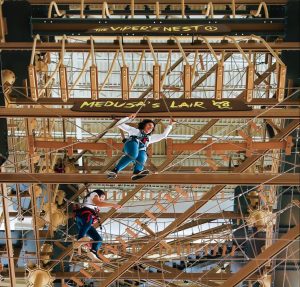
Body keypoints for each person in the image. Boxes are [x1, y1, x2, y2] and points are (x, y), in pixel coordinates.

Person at [107, 114, 175, 180]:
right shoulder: (134, 131)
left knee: (143, 155)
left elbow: (163, 135)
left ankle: (137, 171)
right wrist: (128, 117)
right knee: (133, 154)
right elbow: (119, 124)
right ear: (144, 125)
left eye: (152, 127)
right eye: (149, 125)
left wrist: (170, 125)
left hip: (140, 150)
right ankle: (115, 170)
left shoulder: (150, 138)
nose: (150, 128)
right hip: (131, 144)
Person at [74, 189, 121, 261]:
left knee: (98, 239)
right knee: (89, 220)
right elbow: (99, 203)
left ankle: (93, 252)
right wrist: (113, 205)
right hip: (84, 217)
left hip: (84, 223)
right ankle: (80, 239)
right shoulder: (94, 194)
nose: (102, 199)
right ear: (98, 194)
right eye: (102, 197)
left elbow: (99, 204)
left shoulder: (94, 205)